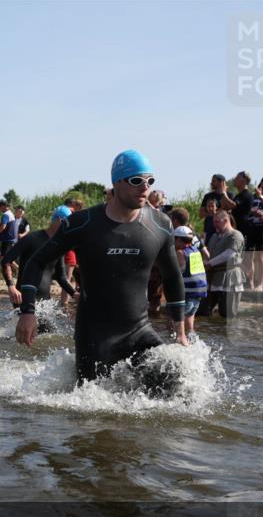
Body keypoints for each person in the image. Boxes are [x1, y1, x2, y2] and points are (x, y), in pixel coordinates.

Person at [16, 149, 188, 387]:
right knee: (92, 411)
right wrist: (27, 312)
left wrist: (179, 331)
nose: (144, 187)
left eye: (150, 181)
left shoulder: (160, 224)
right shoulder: (83, 223)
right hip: (95, 337)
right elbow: (36, 261)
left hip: (139, 331)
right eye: (136, 181)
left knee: (177, 382)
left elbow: (172, 275)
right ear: (116, 183)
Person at [3, 206, 78, 331]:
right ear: (59, 220)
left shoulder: (58, 244)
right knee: (24, 339)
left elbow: (61, 276)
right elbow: (6, 261)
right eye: (68, 223)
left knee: (48, 336)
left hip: (45, 303)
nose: (70, 228)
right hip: (24, 298)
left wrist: (74, 294)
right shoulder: (32, 238)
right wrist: (10, 286)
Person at [204, 210, 246, 317]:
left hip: (230, 278)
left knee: (228, 315)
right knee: (204, 312)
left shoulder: (235, 235)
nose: (215, 224)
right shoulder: (214, 237)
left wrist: (209, 264)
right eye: (214, 222)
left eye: (217, 221)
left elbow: (230, 254)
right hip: (214, 278)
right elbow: (209, 254)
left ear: (226, 220)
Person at [174, 226, 206, 335]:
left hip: (188, 294)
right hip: (198, 294)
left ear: (178, 239)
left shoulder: (180, 253)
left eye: (174, 239)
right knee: (190, 325)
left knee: (175, 322)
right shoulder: (195, 250)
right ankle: (193, 343)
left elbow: (178, 271)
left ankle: (178, 343)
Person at [245, 175, 263, 290]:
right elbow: (246, 212)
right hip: (250, 227)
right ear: (262, 183)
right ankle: (250, 282)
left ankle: (260, 284)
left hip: (262, 228)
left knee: (261, 257)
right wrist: (253, 212)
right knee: (248, 256)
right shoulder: (251, 196)